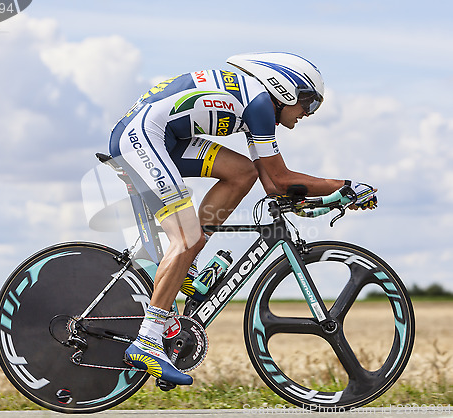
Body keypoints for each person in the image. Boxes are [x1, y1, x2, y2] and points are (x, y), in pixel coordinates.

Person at [108, 52, 377, 386]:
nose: (307, 114)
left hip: (158, 137)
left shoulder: (254, 103)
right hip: (142, 139)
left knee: (240, 173)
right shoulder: (260, 104)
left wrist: (326, 199)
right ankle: (147, 339)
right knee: (185, 237)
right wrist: (345, 186)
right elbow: (279, 180)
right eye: (308, 103)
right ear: (287, 90)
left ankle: (186, 267)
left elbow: (267, 180)